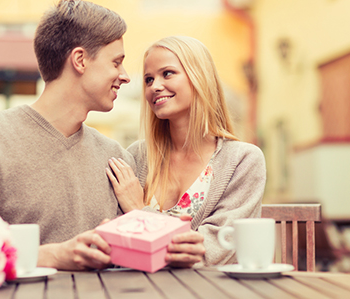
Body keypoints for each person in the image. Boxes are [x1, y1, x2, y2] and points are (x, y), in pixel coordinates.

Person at [0, 0, 204, 271]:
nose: (125, 77)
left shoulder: (116, 158)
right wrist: (52, 256)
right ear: (80, 60)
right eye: (116, 63)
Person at [106, 36, 266, 266]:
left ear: (198, 76)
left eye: (167, 73)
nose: (155, 86)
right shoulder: (138, 156)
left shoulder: (243, 160)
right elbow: (120, 238)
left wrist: (139, 211)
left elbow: (220, 246)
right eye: (148, 79)